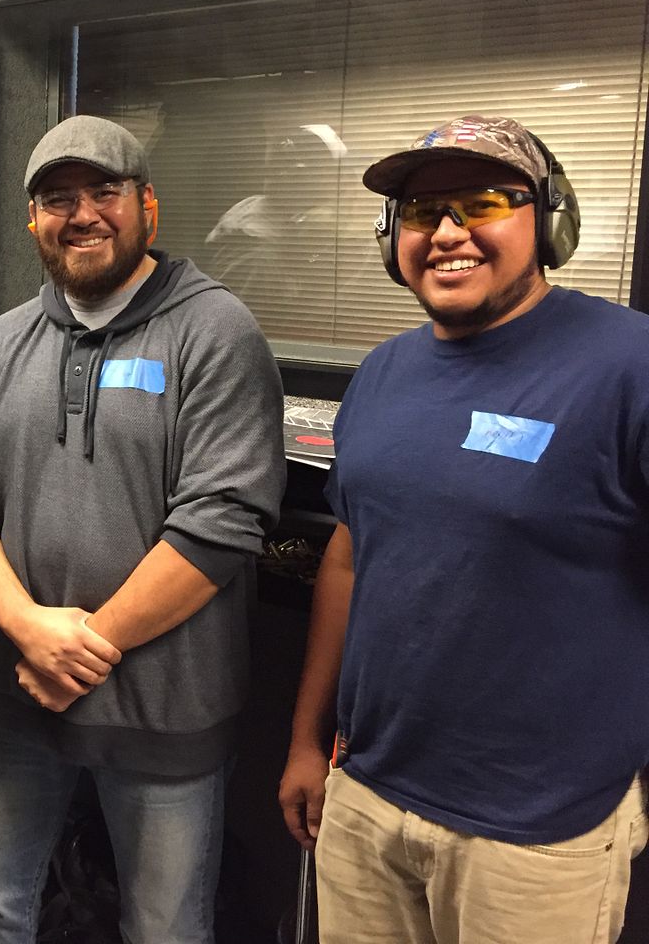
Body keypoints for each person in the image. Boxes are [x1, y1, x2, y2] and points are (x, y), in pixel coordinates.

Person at [277, 114, 649, 944]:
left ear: (549, 220)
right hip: (367, 793)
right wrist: (307, 740)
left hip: (537, 832)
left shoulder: (628, 365)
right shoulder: (383, 373)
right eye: (421, 211)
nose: (447, 233)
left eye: (482, 203)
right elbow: (348, 559)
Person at [0, 114, 285, 943]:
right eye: (59, 198)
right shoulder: (1, 345)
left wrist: (84, 649)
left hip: (165, 709)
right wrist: (26, 630)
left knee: (164, 925)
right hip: (20, 692)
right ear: (33, 220)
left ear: (147, 206)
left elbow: (222, 519)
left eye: (104, 191)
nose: (82, 214)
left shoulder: (217, 332)